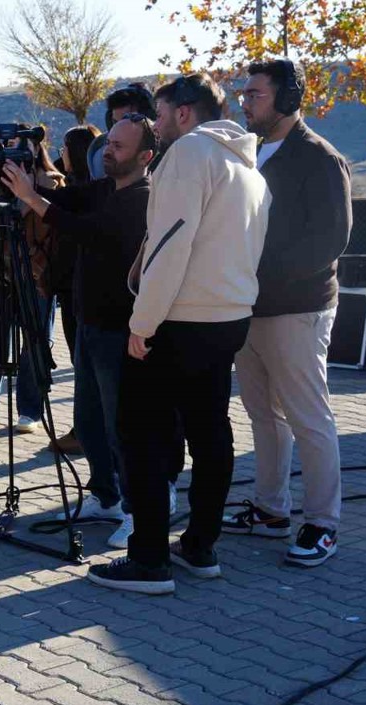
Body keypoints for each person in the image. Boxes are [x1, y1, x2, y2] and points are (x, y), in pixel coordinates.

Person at [88, 73, 270, 594]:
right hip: (228, 317)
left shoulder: (189, 154)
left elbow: (170, 245)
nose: (155, 124)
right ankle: (199, 546)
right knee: (210, 431)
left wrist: (142, 324)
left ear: (185, 113)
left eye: (160, 114)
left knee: (141, 433)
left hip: (179, 320)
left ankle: (148, 559)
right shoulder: (247, 166)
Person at [2, 116, 157, 550]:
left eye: (119, 147)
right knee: (90, 420)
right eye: (109, 143)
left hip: (117, 328)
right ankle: (105, 496)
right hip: (88, 322)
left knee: (120, 425)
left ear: (144, 157)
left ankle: (135, 510)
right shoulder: (106, 188)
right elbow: (66, 200)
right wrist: (28, 174)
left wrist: (31, 198)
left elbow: (82, 228)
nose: (108, 151)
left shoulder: (142, 198)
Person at [226, 59, 351, 567]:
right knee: (263, 413)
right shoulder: (247, 153)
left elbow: (330, 239)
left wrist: (260, 277)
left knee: (308, 417)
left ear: (286, 99)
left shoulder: (319, 157)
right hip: (247, 308)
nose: (245, 102)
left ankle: (322, 522)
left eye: (254, 94)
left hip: (297, 310)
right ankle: (272, 510)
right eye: (244, 94)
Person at [0, 136, 62, 435]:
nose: (11, 154)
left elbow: (43, 220)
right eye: (6, 147)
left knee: (35, 341)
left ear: (35, 149)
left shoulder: (51, 182)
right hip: (0, 271)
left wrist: (24, 193)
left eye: (20, 146)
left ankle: (30, 410)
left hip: (36, 274)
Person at [44, 124, 102, 458]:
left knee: (85, 366)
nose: (60, 155)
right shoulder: (88, 188)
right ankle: (87, 429)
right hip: (72, 289)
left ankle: (85, 432)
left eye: (64, 148)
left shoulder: (83, 194)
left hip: (77, 291)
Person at [86, 83, 157, 180]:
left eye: (128, 120)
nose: (119, 128)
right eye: (116, 123)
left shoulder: (170, 156)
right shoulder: (100, 152)